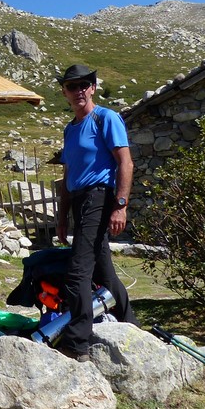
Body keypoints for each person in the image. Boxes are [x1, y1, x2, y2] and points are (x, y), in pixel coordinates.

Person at [53, 64, 139, 362]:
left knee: (77, 272)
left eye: (83, 85)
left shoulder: (106, 118)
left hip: (100, 197)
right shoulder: (71, 128)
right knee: (102, 269)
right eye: (71, 86)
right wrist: (62, 217)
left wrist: (121, 204)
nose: (78, 91)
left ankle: (78, 344)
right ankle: (131, 324)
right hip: (79, 199)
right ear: (64, 92)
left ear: (92, 88)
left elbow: (125, 164)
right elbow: (68, 175)